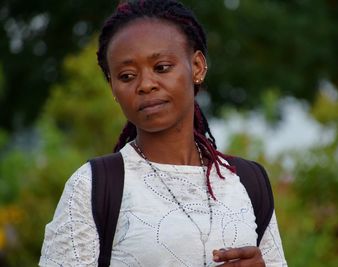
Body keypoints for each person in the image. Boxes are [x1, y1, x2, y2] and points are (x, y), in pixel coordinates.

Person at [39, 0, 287, 266]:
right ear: (112, 87)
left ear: (198, 67)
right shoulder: (94, 186)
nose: (145, 84)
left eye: (162, 68)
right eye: (126, 76)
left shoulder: (246, 182)